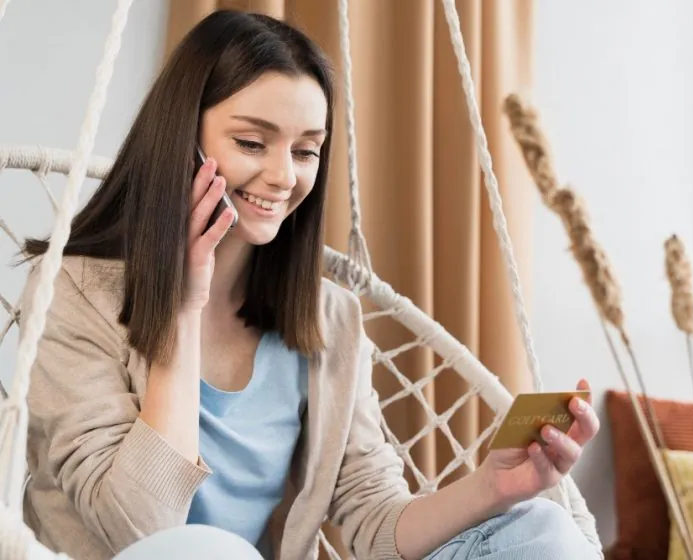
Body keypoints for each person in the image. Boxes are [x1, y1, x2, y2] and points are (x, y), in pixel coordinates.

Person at [19, 9, 602, 560]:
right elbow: (140, 530)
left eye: (305, 151)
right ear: (181, 137)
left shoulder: (328, 319)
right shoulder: (73, 293)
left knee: (540, 531)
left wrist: (492, 487)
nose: (281, 176)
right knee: (213, 551)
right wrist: (183, 307)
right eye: (251, 142)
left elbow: (373, 519)